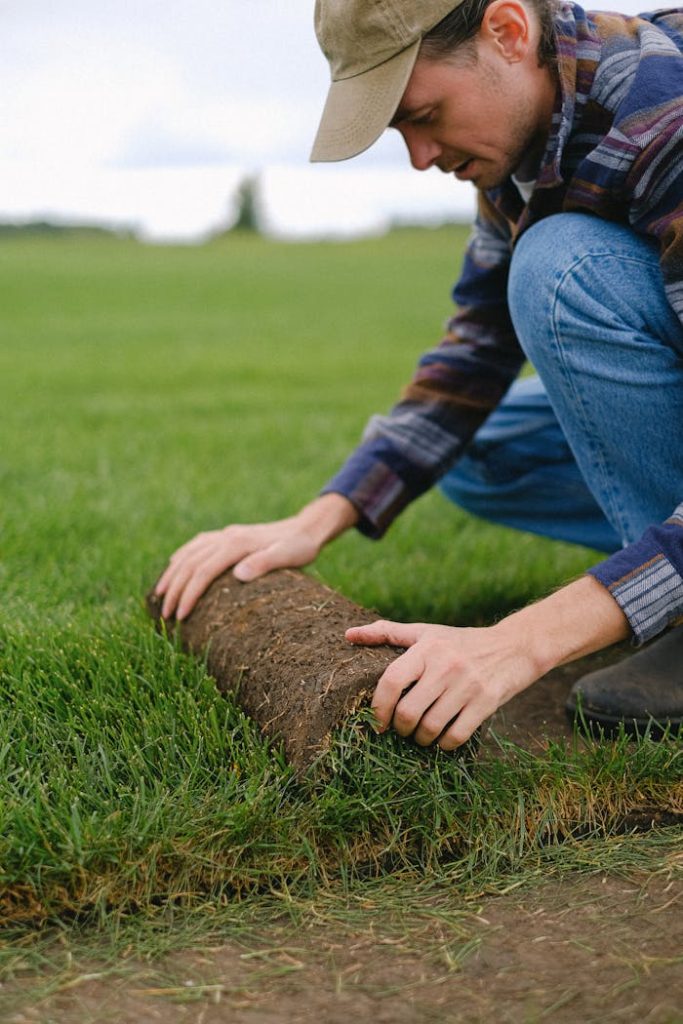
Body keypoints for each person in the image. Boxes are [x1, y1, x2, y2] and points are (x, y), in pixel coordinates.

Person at [156, 0, 683, 748]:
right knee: (483, 450)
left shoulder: (666, 122)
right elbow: (475, 351)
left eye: (424, 114)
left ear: (506, 31)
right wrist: (320, 516)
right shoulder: (530, 136)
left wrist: (519, 641)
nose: (419, 157)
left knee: (559, 268)